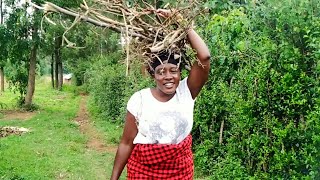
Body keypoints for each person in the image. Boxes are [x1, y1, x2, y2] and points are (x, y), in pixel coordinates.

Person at [110, 9, 211, 180]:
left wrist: (180, 21)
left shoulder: (186, 92)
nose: (168, 77)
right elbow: (126, 143)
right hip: (143, 172)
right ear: (152, 75)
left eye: (173, 70)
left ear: (180, 72)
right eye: (161, 72)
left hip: (180, 172)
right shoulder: (139, 100)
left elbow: (205, 57)